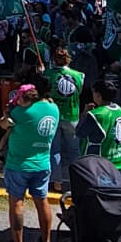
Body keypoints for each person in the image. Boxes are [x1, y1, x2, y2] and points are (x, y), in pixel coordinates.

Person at [0, 74, 60, 242]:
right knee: (42, 201)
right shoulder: (54, 109)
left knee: (16, 202)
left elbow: (3, 124)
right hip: (42, 163)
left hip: (19, 163)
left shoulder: (21, 112)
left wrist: (7, 112)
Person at [47, 46, 85, 187]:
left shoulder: (48, 74)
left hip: (54, 115)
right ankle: (79, 179)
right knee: (74, 150)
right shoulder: (79, 75)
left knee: (54, 150)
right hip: (72, 115)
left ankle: (57, 181)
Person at [75, 75, 121, 172]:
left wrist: (84, 114)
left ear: (98, 95)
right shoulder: (119, 110)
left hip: (100, 165)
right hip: (120, 161)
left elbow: (79, 132)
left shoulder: (96, 114)